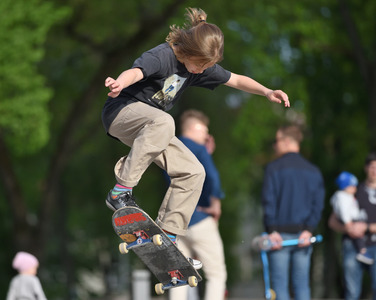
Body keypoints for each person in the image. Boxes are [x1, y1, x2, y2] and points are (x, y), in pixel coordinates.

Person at [102, 7, 290, 254]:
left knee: (193, 171)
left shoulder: (198, 66)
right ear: (189, 50)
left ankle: (167, 234)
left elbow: (235, 79)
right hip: (122, 113)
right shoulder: (162, 56)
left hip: (152, 132)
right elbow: (136, 72)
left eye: (206, 67)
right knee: (165, 122)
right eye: (200, 65)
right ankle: (121, 191)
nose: (201, 71)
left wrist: (266, 91)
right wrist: (119, 83)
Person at [261, 125, 324, 300]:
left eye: (277, 141)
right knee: (302, 285)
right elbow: (317, 205)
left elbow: (269, 201)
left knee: (280, 287)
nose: (275, 145)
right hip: (303, 236)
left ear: (287, 141)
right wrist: (309, 229)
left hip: (278, 237)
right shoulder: (313, 171)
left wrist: (272, 229)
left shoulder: (273, 168)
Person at [168, 110, 227, 300]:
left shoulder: (169, 147)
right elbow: (212, 177)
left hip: (175, 221)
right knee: (216, 274)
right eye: (205, 131)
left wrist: (206, 152)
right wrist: (215, 203)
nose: (207, 136)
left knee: (179, 276)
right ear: (195, 128)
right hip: (199, 218)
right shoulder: (199, 149)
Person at [328, 151, 376, 300]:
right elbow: (332, 221)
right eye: (371, 167)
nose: (374, 171)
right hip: (351, 246)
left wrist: (366, 228)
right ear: (366, 168)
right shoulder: (352, 190)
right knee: (351, 292)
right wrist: (349, 229)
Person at [331, 171, 373, 264]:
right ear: (346, 186)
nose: (355, 188)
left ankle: (362, 251)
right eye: (353, 186)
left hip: (353, 220)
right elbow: (344, 212)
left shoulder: (346, 196)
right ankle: (362, 252)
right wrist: (348, 224)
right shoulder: (342, 197)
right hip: (350, 221)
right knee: (357, 235)